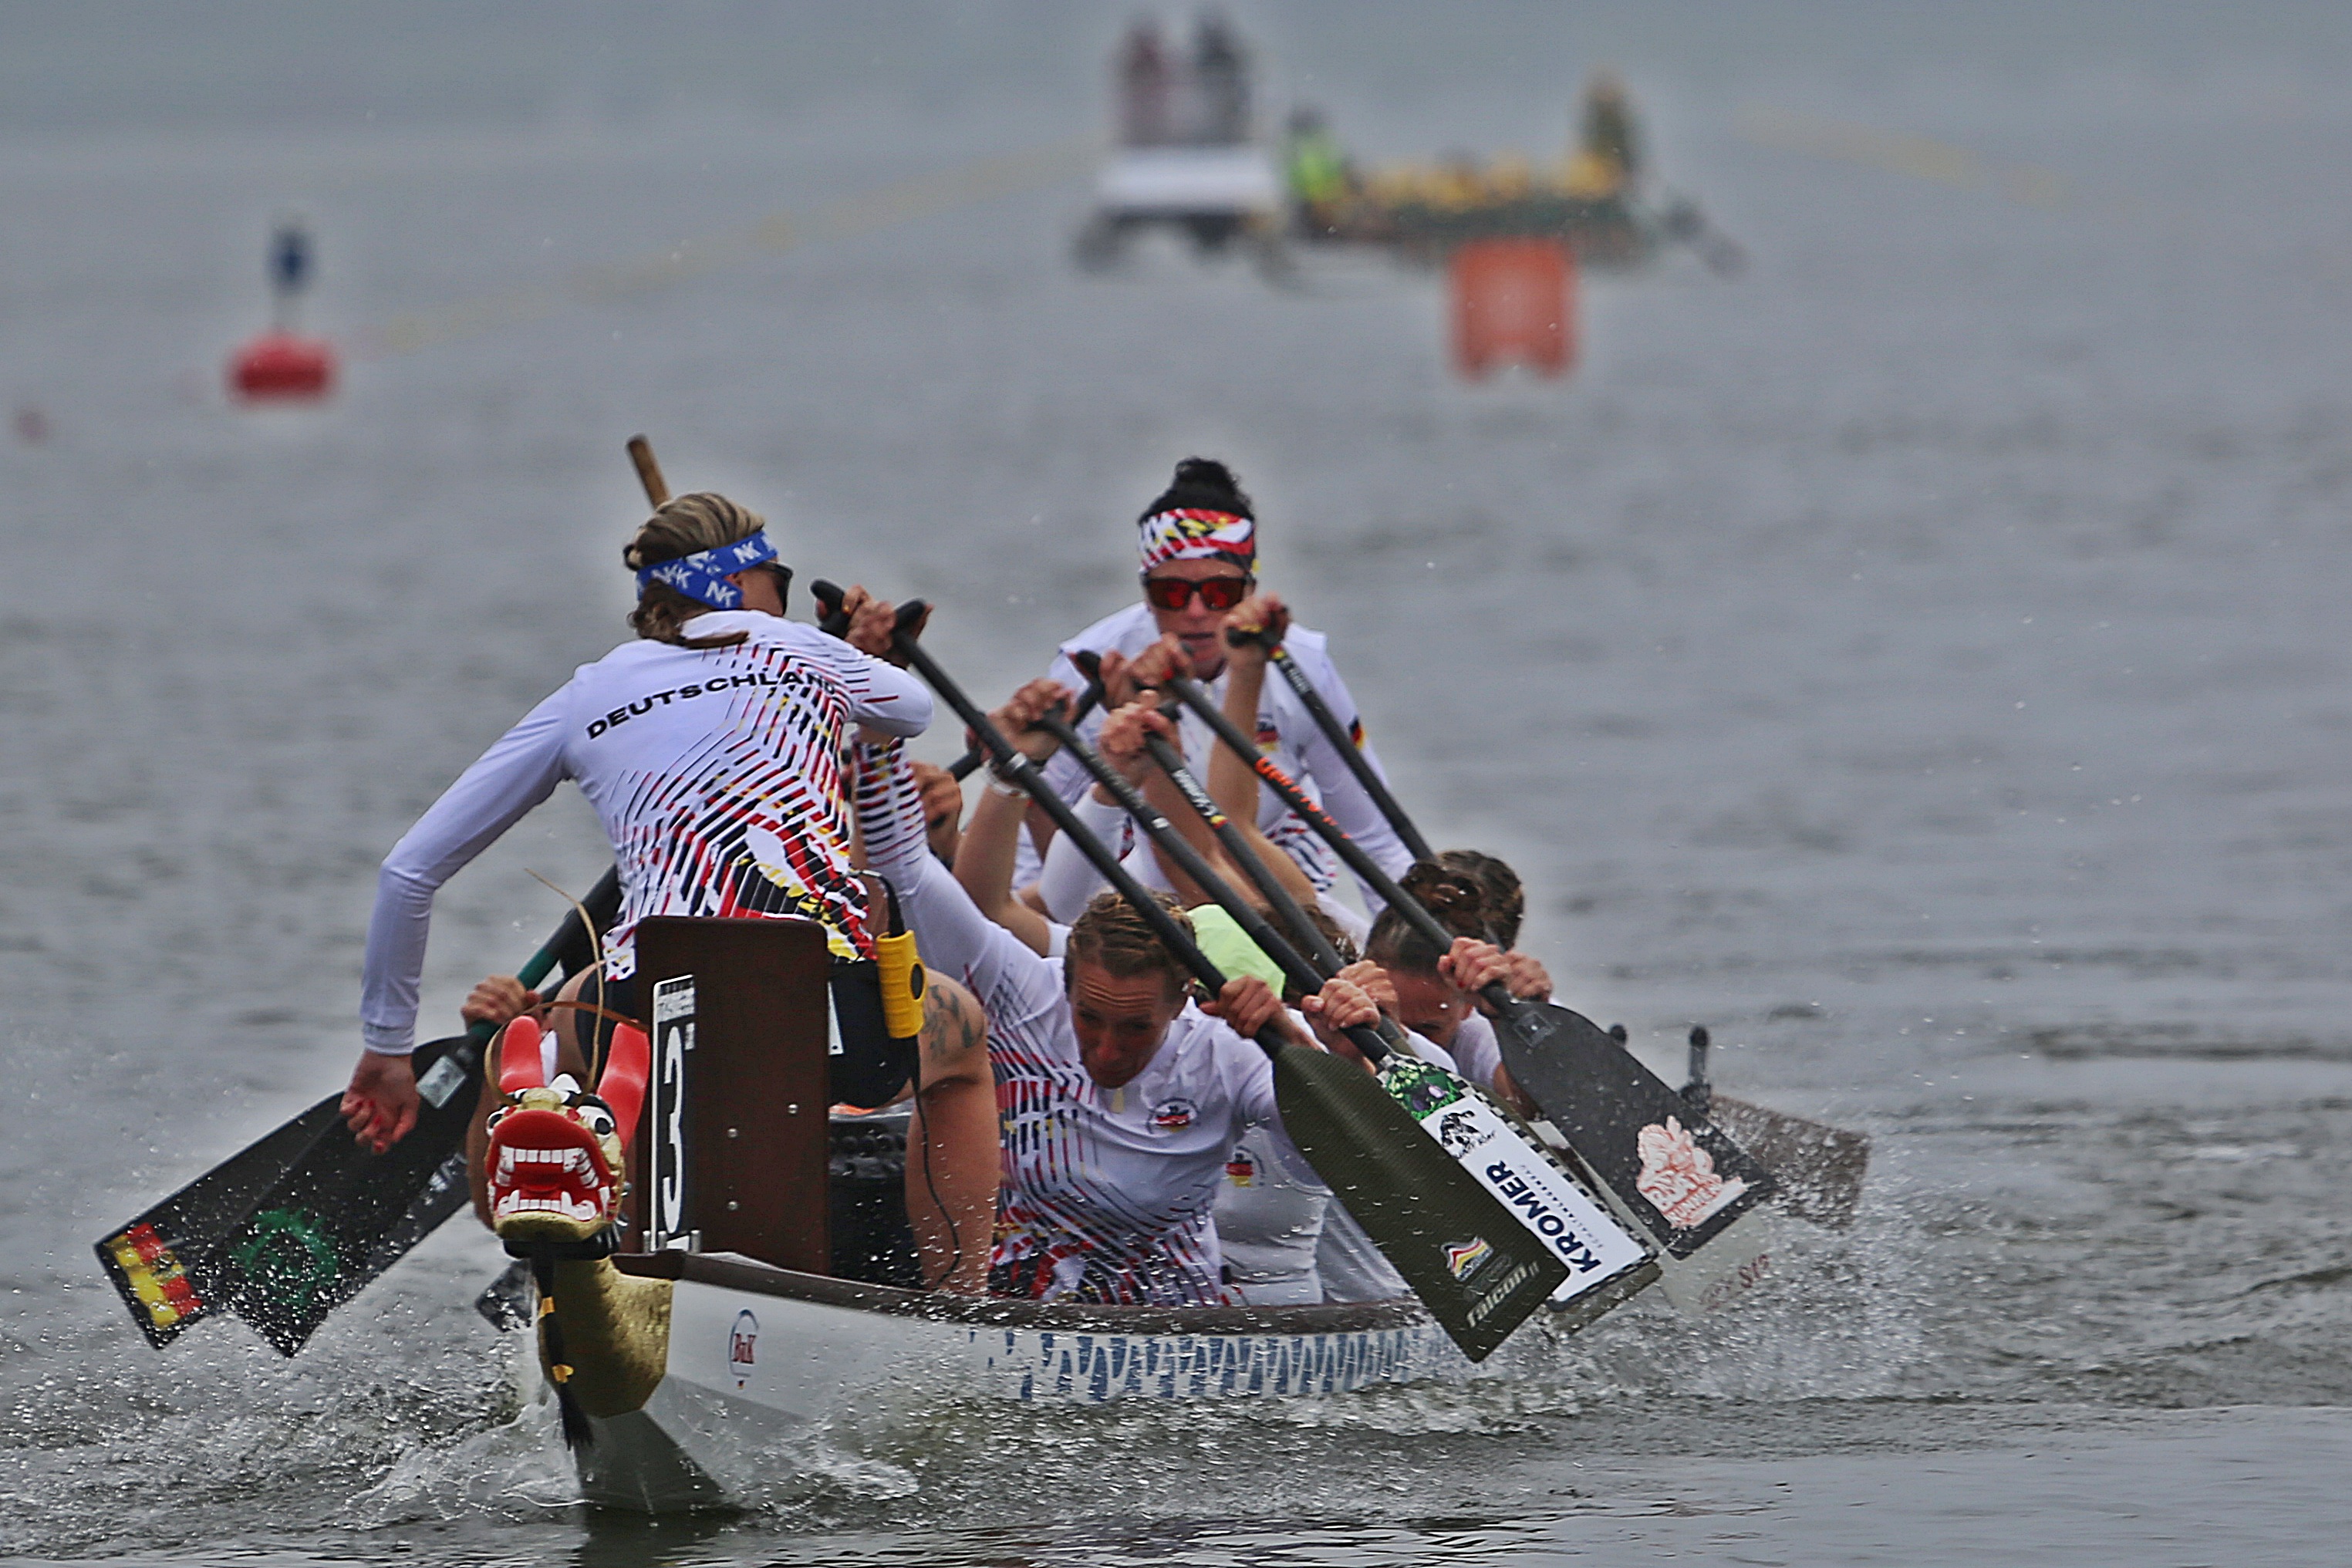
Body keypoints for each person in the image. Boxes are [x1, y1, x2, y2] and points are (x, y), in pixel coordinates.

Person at [337, 491, 998, 1287]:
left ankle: (611, 1233)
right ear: (739, 583)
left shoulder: (590, 691)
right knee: (965, 1036)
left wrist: (386, 1050)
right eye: (779, 579)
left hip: (645, 1011)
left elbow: (407, 872)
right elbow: (911, 710)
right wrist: (842, 651)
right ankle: (958, 1307)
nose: (785, 597)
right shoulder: (804, 649)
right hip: (829, 1010)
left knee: (573, 1007)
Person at [855, 694, 1380, 1306]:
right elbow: (904, 873)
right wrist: (881, 729)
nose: (1106, 1050)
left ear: (1182, 1000)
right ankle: (955, 1306)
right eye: (1089, 1018)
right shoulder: (1022, 988)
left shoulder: (1225, 1050)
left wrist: (1321, 1055)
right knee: (950, 1021)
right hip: (1019, 1301)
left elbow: (1334, 1165)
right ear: (1065, 981)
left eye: (1135, 1028)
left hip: (1171, 1323)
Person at [1031, 457, 1414, 914]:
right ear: (1146, 593)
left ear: (1250, 591)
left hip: (1272, 868)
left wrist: (1408, 944)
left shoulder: (1304, 662)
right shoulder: (1090, 665)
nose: (1196, 613)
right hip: (1137, 879)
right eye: (1172, 594)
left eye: (1219, 594)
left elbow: (1376, 839)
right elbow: (1032, 844)